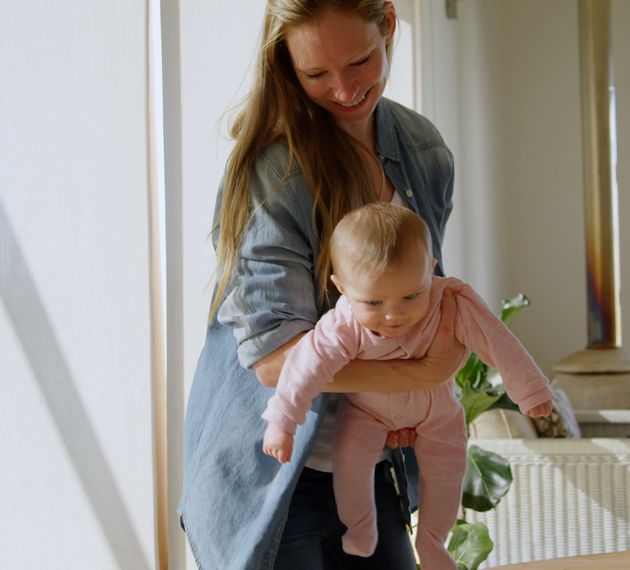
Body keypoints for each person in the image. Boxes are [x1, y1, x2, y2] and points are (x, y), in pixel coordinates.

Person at [179, 1, 467, 568]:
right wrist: (421, 373)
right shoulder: (277, 171)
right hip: (271, 475)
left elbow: (417, 302)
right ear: (287, 65)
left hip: (367, 466)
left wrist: (412, 400)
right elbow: (273, 359)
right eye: (315, 74)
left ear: (387, 23)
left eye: (359, 61)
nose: (342, 90)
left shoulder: (424, 151)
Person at [261, 203, 554, 569]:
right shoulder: (344, 324)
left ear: (430, 271)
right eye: (373, 302)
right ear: (341, 288)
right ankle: (361, 526)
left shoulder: (451, 301)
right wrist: (282, 421)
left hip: (439, 412)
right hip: (368, 412)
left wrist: (531, 390)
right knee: (350, 462)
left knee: (447, 473)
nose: (394, 315)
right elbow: (303, 368)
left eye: (411, 296)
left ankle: (432, 540)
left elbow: (498, 341)